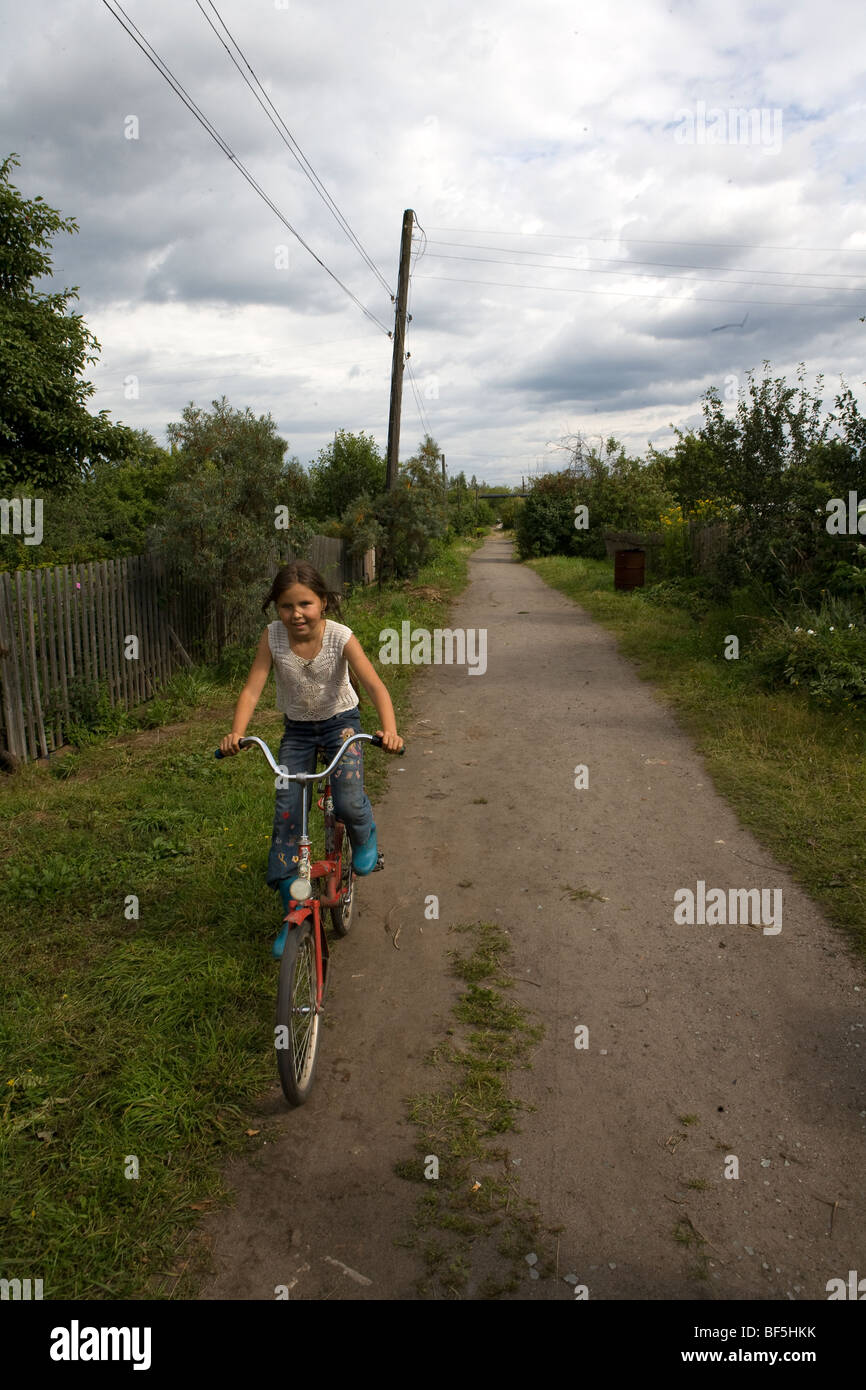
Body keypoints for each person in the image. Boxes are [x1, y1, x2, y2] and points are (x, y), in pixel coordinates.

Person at [219, 560, 403, 957]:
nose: (296, 614)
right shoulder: (272, 638)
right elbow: (252, 689)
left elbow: (374, 684)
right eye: (286, 606)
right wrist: (237, 732)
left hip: (341, 724)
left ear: (323, 602)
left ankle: (364, 831)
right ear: (276, 608)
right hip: (298, 731)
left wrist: (388, 730)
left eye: (305, 604)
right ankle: (296, 909)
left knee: (349, 797)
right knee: (288, 813)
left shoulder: (340, 637)